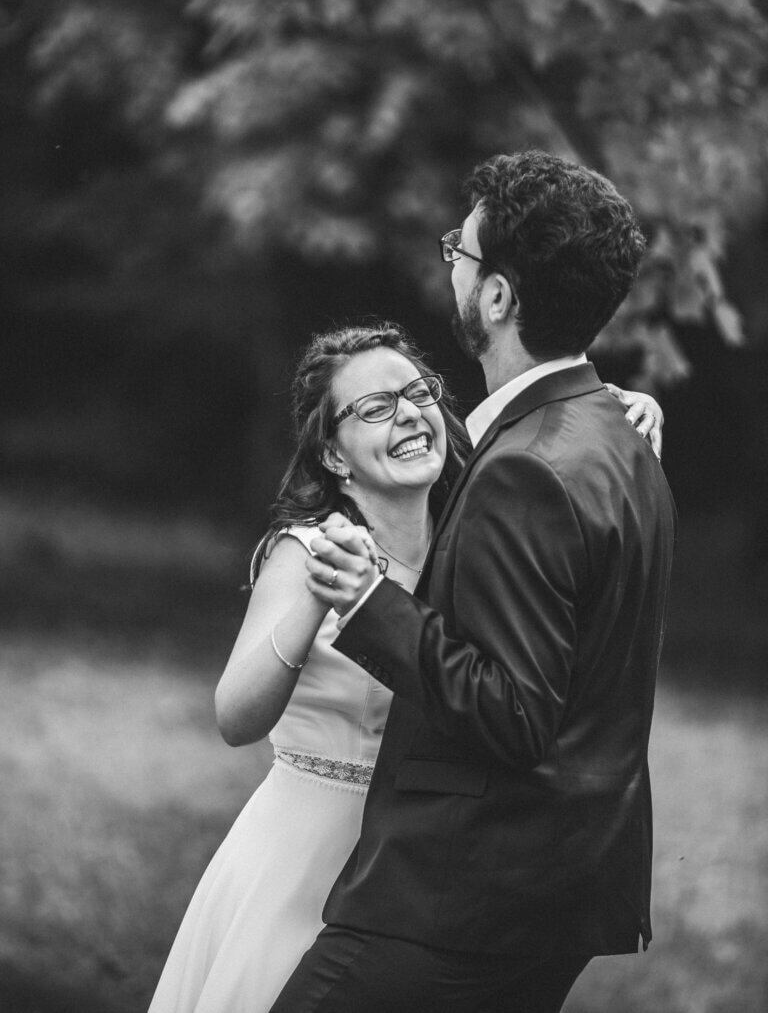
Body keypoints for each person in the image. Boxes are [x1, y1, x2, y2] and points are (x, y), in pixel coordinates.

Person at [148, 320, 663, 1012]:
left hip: (428, 865)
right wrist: (321, 595)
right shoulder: (306, 552)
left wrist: (629, 406)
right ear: (333, 454)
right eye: (375, 407)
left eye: (416, 392)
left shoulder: (478, 531)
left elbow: (553, 430)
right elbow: (235, 717)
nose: (410, 415)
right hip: (303, 853)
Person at [271, 151, 677, 1013]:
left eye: (460, 250)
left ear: (497, 296)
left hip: (458, 899)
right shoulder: (619, 440)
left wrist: (371, 604)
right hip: (553, 893)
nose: (448, 260)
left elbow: (514, 711)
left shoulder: (528, 467)